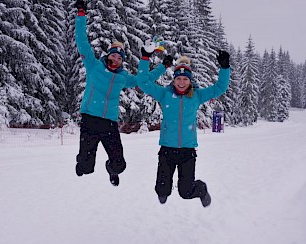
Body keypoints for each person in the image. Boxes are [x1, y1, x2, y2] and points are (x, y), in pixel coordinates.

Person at [74, 0, 172, 186]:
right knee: (85, 168)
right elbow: (81, 40)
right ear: (108, 55)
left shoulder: (123, 77)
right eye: (113, 55)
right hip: (89, 120)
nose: (116, 59)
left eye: (120, 58)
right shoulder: (94, 66)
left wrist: (163, 67)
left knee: (120, 165)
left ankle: (111, 170)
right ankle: (83, 162)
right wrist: (81, 14)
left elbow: (145, 79)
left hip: (109, 123)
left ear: (122, 61)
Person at [137, 43, 231, 207]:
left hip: (187, 151)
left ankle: (200, 189)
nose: (181, 82)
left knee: (186, 192)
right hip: (167, 149)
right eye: (178, 79)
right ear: (173, 80)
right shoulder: (164, 94)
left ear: (190, 81)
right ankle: (164, 191)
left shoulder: (197, 96)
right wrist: (145, 58)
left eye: (185, 79)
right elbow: (143, 82)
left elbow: (220, 88)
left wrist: (224, 68)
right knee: (161, 190)